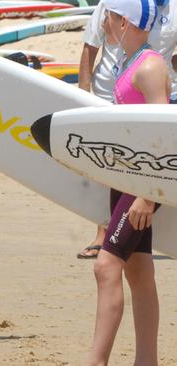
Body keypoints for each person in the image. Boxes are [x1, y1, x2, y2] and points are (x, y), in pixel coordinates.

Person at [86, 0, 168, 364]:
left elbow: (164, 136)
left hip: (142, 183)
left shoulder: (149, 66)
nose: (104, 22)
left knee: (106, 266)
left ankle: (95, 362)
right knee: (138, 267)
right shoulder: (131, 60)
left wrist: (147, 196)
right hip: (128, 178)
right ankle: (146, 361)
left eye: (109, 16)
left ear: (124, 20)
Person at [76, 0, 177, 259]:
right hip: (106, 95)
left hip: (151, 96)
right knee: (105, 166)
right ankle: (105, 232)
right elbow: (90, 46)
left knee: (148, 164)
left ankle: (130, 236)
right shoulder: (118, 3)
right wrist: (79, 97)